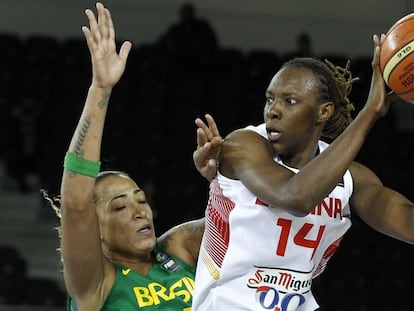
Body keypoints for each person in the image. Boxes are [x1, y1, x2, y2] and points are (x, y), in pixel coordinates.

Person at [191, 33, 413, 310]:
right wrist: (372, 111)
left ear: (324, 112)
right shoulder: (242, 145)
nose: (273, 111)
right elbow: (295, 196)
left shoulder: (350, 178)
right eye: (270, 99)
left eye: (289, 101)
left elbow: (407, 222)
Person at [47, 3, 219, 310]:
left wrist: (220, 181)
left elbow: (237, 222)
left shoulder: (176, 248)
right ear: (94, 230)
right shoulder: (97, 282)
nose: (140, 211)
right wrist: (100, 88)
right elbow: (74, 202)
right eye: (120, 207)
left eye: (140, 200)